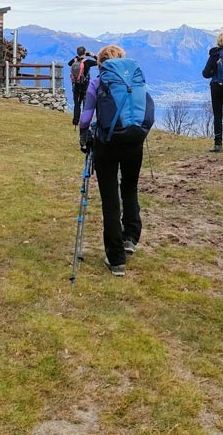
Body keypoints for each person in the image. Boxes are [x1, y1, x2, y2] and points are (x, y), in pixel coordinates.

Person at [78, 45, 154, 276]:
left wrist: (83, 135)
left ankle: (116, 259)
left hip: (107, 144)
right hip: (135, 142)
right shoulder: (134, 80)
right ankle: (130, 237)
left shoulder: (98, 82)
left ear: (101, 63)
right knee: (130, 188)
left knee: (110, 199)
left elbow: (85, 117)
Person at [68, 46, 97, 126]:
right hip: (85, 86)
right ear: (84, 53)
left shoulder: (74, 60)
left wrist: (77, 57)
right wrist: (93, 55)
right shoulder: (87, 62)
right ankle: (84, 121)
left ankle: (75, 121)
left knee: (77, 104)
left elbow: (69, 64)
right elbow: (99, 62)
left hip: (75, 85)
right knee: (85, 103)